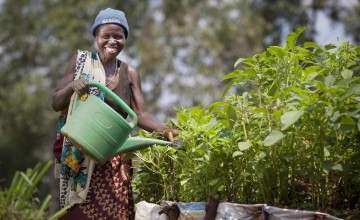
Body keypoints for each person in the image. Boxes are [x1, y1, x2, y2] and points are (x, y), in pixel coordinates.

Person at [51, 8, 180, 219]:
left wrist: (166, 130)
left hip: (112, 155)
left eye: (118, 36)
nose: (112, 41)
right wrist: (71, 87)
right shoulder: (80, 62)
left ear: (125, 39)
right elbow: (56, 103)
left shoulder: (129, 73)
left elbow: (141, 114)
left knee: (115, 210)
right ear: (96, 37)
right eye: (106, 36)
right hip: (80, 154)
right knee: (77, 212)